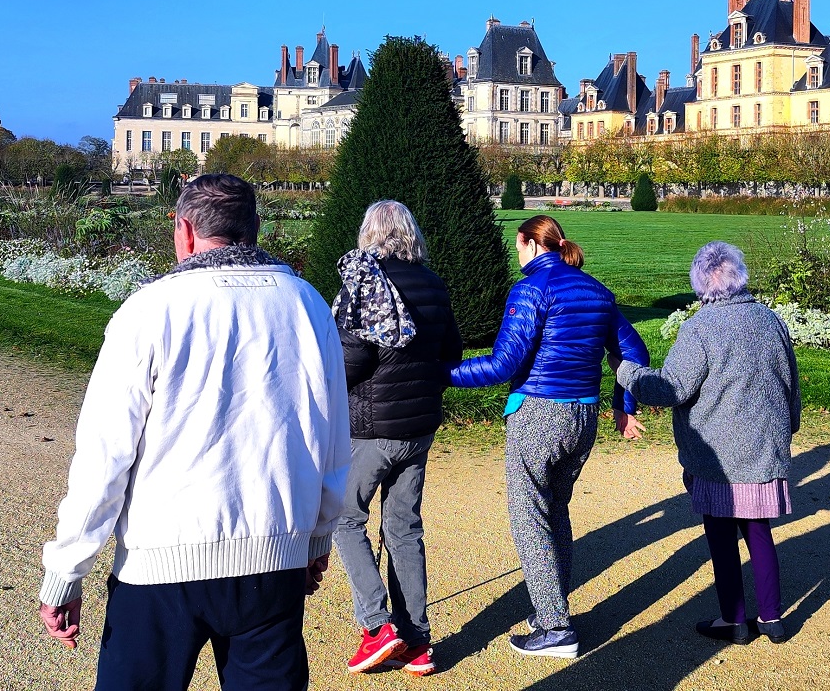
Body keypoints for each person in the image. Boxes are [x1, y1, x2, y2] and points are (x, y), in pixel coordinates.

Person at [37, 173, 351, 691]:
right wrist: (318, 534)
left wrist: (68, 568)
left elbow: (104, 456)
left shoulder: (150, 310)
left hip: (161, 565)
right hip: (272, 558)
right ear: (256, 227)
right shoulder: (308, 305)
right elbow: (332, 432)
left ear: (184, 230)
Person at [449, 214, 649, 660]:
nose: (516, 254)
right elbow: (634, 352)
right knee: (555, 510)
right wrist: (623, 404)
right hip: (583, 415)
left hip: (539, 412)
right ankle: (550, 616)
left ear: (530, 244)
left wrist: (442, 375)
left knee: (529, 518)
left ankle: (555, 627)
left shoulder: (531, 288)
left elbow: (503, 364)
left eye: (517, 245)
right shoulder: (596, 290)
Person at [616, 241, 800, 646]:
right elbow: (791, 382)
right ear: (740, 275)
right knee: (758, 530)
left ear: (700, 283)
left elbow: (671, 388)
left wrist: (627, 373)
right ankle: (771, 619)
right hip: (764, 447)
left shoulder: (700, 327)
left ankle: (733, 620)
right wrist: (790, 426)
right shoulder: (770, 320)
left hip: (717, 454)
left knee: (720, 536)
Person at [330, 201, 463, 677]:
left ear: (369, 232)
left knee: (345, 519)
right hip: (419, 424)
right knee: (404, 528)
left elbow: (351, 361)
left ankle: (376, 626)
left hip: (372, 425)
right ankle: (417, 640)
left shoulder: (365, 284)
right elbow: (451, 351)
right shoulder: (433, 283)